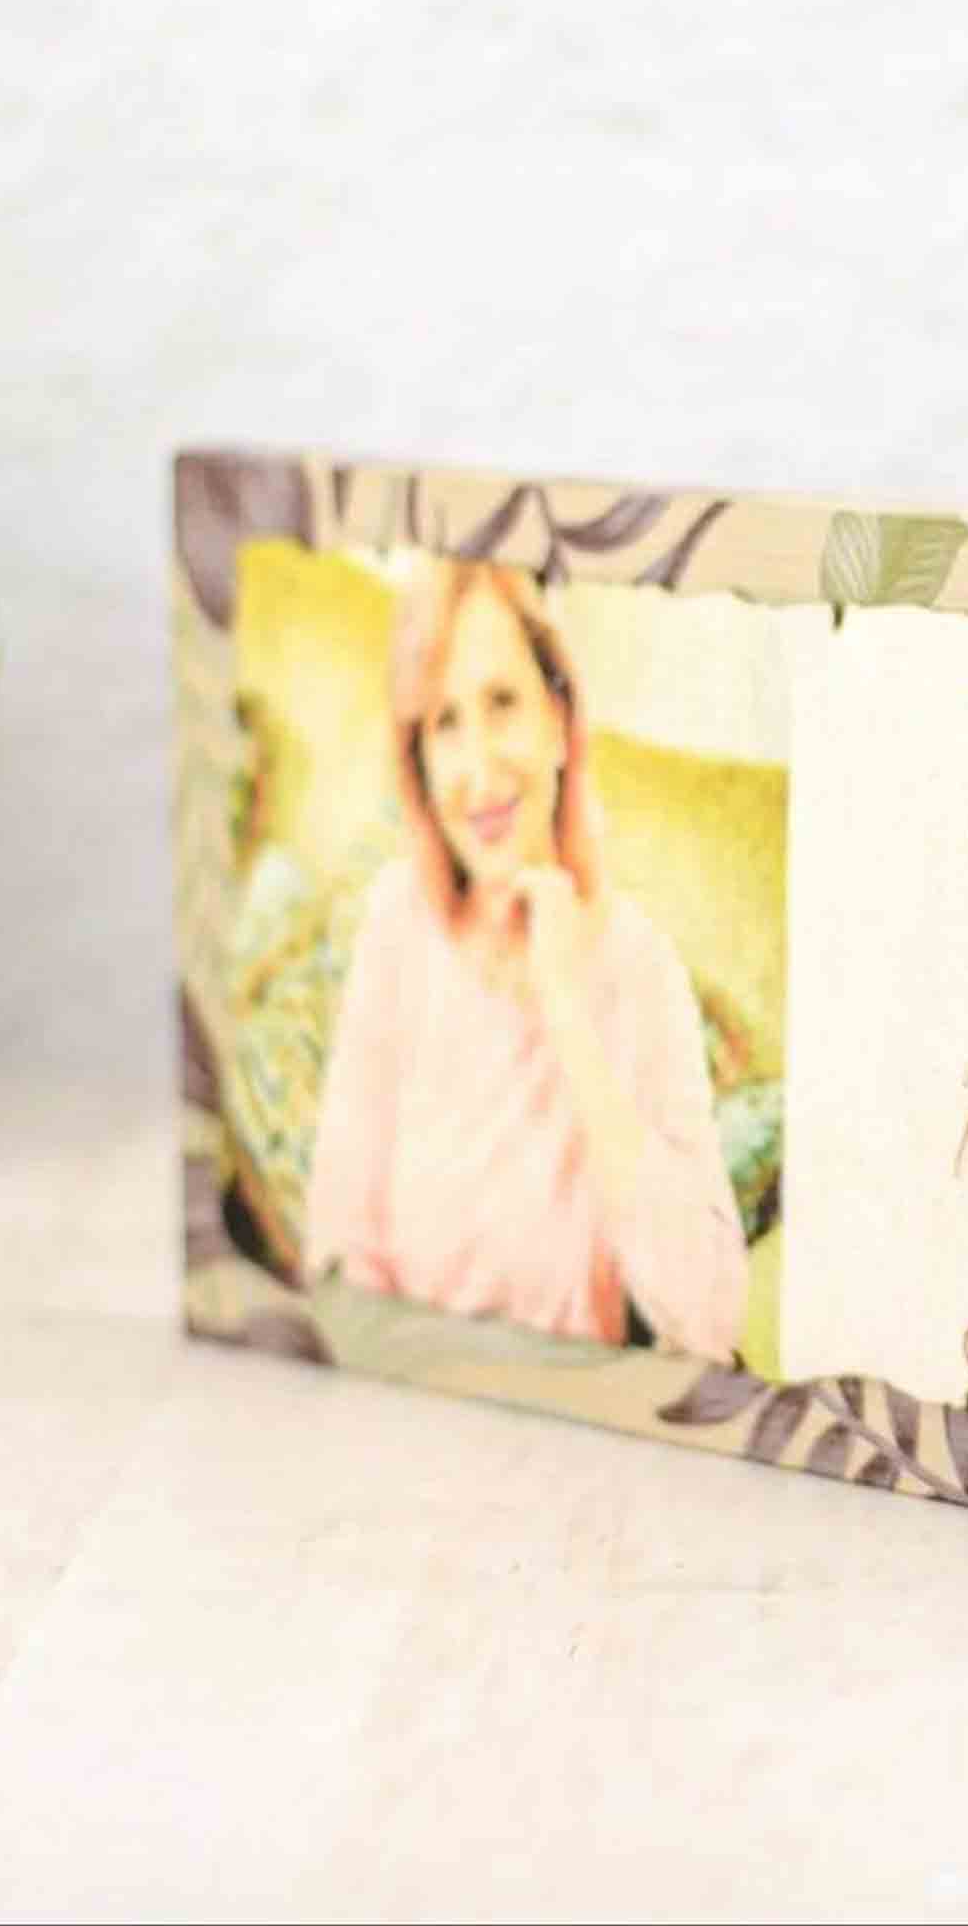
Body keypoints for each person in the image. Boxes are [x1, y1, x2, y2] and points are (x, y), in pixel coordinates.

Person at [302, 557, 747, 1358]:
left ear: (559, 719)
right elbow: (339, 1237)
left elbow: (709, 1318)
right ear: (419, 761)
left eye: (503, 703)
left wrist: (568, 1005)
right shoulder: (398, 925)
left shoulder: (638, 966)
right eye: (444, 723)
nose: (478, 770)